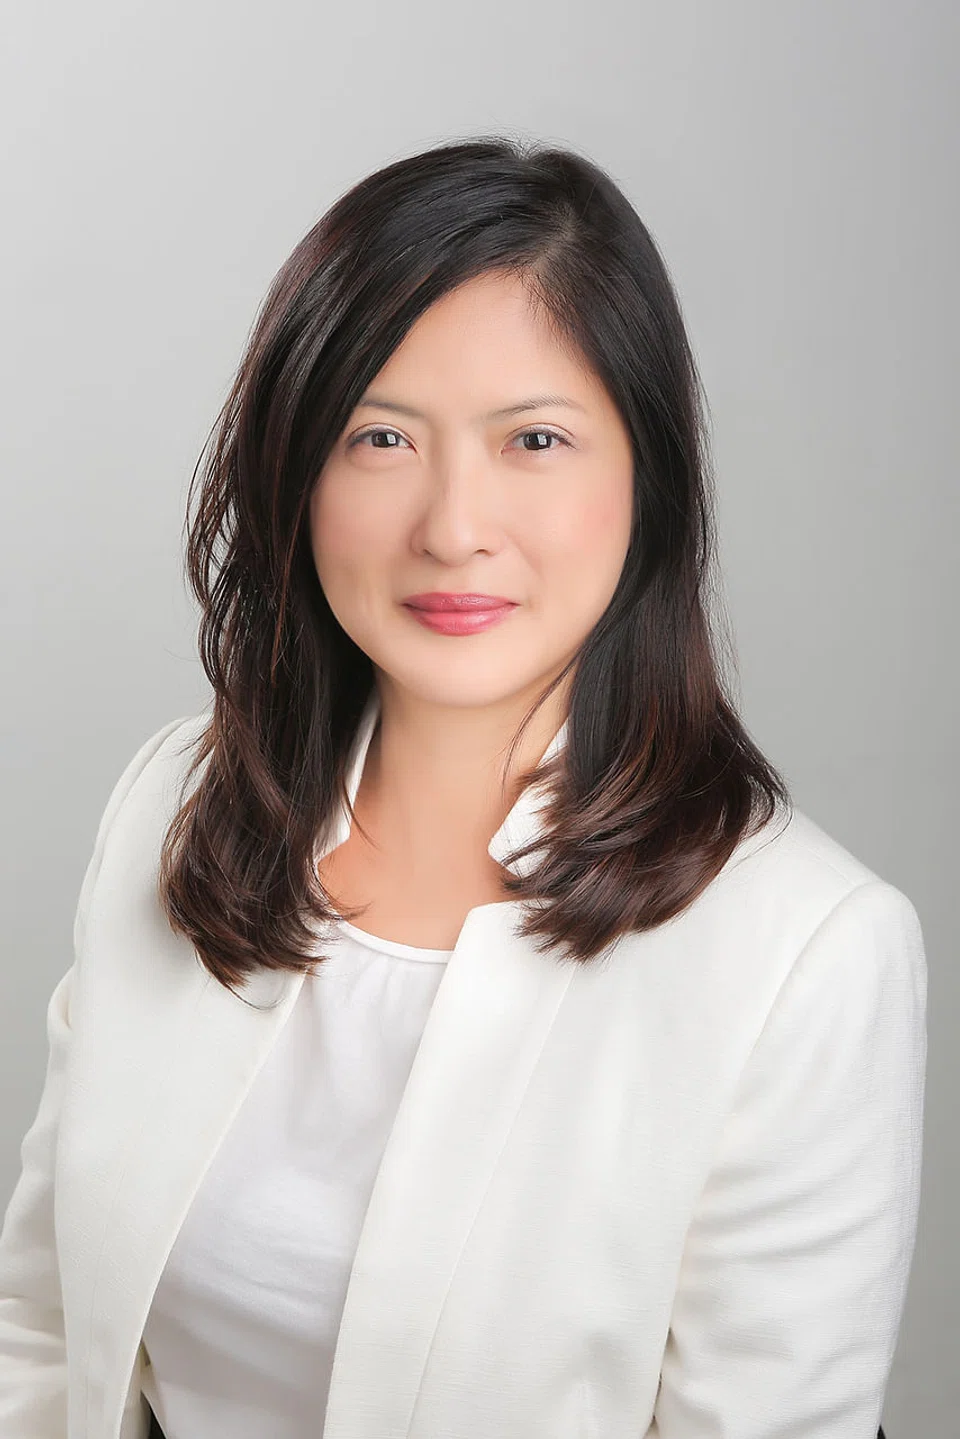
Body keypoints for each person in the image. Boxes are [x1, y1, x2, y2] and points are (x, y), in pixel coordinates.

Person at [0, 136, 922, 1439]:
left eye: (535, 439)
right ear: (296, 468)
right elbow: (39, 1331)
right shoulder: (175, 802)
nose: (452, 527)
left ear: (648, 478)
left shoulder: (809, 952)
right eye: (380, 436)